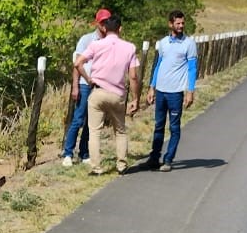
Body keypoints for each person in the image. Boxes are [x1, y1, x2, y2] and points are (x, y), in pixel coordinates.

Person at [74, 14, 139, 175]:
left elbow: (78, 63)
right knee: (120, 131)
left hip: (97, 91)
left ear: (105, 28)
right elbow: (133, 76)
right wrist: (135, 98)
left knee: (94, 131)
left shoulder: (96, 45)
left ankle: (96, 167)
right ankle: (122, 165)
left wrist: (88, 78)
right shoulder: (129, 47)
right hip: (117, 94)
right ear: (120, 29)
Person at [145, 9, 197, 171]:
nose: (181, 26)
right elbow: (158, 65)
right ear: (170, 24)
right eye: (178, 23)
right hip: (161, 90)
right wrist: (152, 87)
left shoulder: (189, 44)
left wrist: (190, 91)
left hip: (176, 92)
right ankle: (154, 157)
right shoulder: (163, 43)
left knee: (174, 127)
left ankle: (168, 159)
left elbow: (192, 68)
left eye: (182, 23)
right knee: (159, 125)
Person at [61, 9, 111, 167]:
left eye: (107, 22)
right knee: (78, 118)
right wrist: (75, 86)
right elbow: (77, 64)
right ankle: (68, 153)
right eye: (102, 22)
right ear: (97, 23)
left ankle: (84, 153)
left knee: (93, 120)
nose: (105, 25)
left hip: (100, 85)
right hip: (85, 84)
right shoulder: (86, 39)